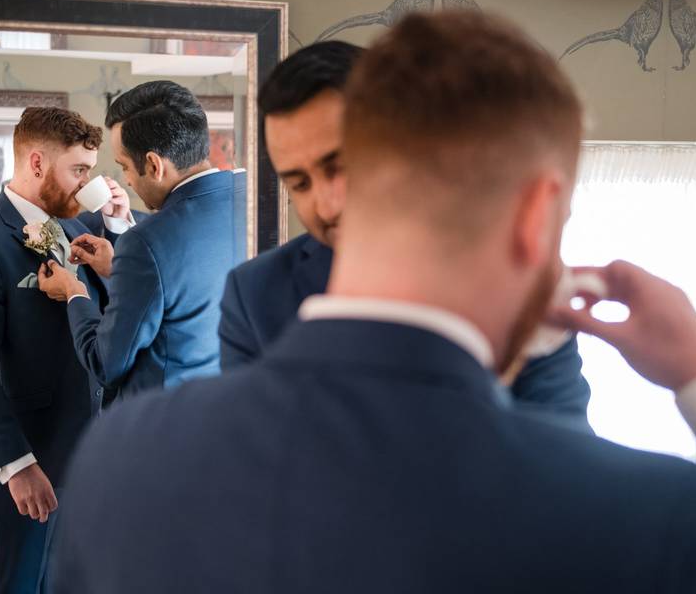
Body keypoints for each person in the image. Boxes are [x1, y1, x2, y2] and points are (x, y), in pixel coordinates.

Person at [49, 11, 696, 592]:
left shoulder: (120, 458)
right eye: (299, 180)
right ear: (539, 213)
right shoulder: (660, 520)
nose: (322, 202)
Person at [218, 41, 591, 425]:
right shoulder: (254, 296)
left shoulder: (515, 281)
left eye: (341, 167)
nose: (325, 205)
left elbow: (565, 448)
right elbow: (248, 450)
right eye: (299, 184)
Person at [0, 106, 128, 593]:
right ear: (39, 164)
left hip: (95, 454)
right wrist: (16, 464)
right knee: (17, 583)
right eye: (80, 171)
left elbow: (117, 311)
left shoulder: (83, 224)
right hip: (32, 459)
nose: (88, 182)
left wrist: (121, 225)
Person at [39, 81, 242, 403]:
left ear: (153, 165)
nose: (126, 181)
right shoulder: (258, 198)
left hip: (166, 428)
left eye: (124, 167)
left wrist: (75, 293)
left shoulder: (148, 241)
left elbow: (106, 364)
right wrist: (119, 268)